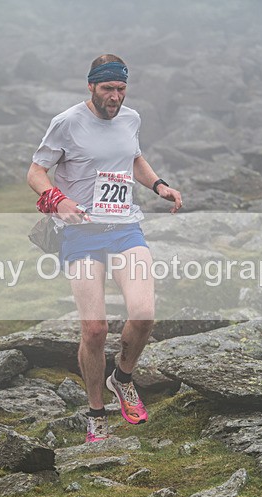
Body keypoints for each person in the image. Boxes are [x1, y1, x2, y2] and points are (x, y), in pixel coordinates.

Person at [27, 54, 183, 443]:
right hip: (81, 234)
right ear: (91, 87)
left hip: (125, 228)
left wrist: (159, 185)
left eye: (120, 89)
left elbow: (134, 159)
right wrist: (58, 200)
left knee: (144, 314)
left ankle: (122, 378)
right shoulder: (66, 123)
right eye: (107, 89)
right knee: (94, 330)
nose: (115, 97)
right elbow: (35, 172)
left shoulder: (131, 118)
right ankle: (96, 414)